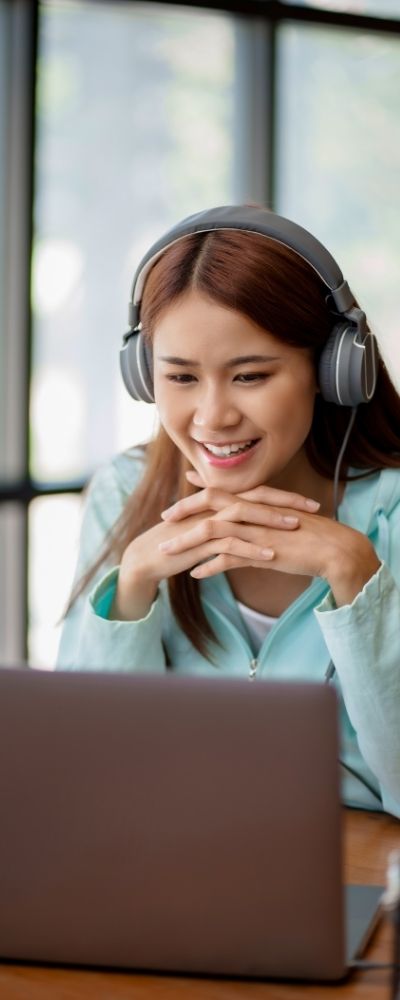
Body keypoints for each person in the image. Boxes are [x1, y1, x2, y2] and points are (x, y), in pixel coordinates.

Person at [57, 205, 400, 818]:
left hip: (361, 869)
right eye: (182, 377)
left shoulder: (391, 509)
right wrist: (132, 587)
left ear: (331, 369)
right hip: (173, 868)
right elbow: (87, 788)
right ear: (145, 376)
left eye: (249, 375)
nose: (212, 417)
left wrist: (357, 579)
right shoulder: (126, 491)